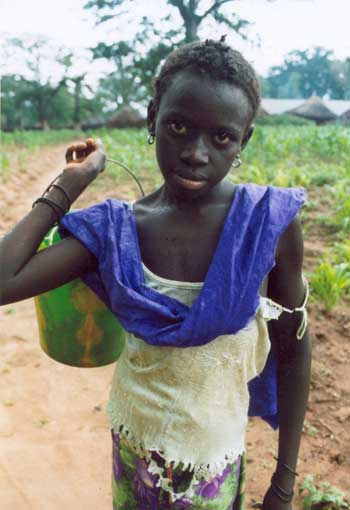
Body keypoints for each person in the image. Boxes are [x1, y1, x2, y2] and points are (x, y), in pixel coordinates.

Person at [0, 39, 311, 509]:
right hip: (133, 451)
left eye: (220, 137)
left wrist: (284, 482)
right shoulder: (116, 231)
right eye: (179, 126)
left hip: (215, 465)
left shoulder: (267, 224)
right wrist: (68, 185)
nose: (196, 153)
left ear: (243, 140)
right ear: (152, 119)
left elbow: (294, 345)